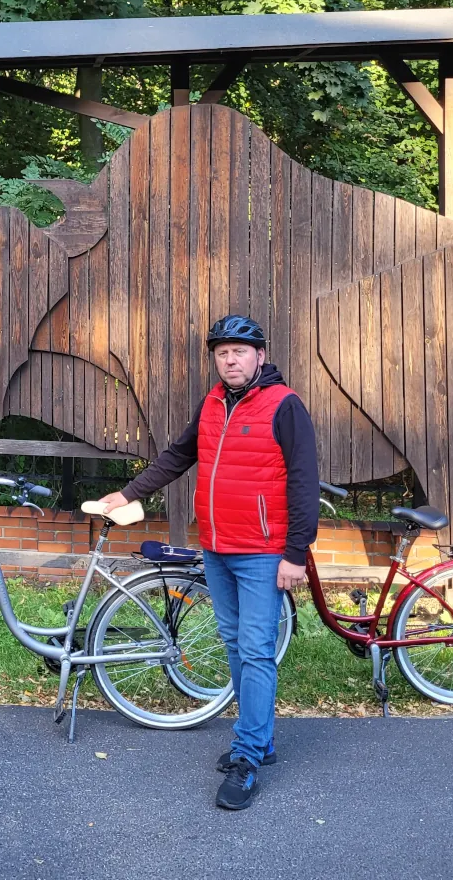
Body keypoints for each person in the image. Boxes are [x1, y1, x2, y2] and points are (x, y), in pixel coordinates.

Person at [97, 314, 319, 811]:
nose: (231, 359)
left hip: (264, 554)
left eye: (240, 351)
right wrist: (127, 493)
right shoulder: (213, 404)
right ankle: (260, 740)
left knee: (257, 651)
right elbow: (177, 456)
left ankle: (246, 759)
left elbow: (304, 482)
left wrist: (295, 554)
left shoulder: (285, 406)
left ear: (260, 356)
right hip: (217, 547)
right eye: (222, 352)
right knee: (237, 647)